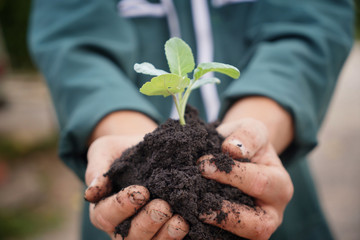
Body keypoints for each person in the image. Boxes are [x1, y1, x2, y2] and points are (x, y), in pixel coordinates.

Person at [28, 0, 354, 239]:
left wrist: (257, 126)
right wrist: (131, 148)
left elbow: (312, 22)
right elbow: (70, 42)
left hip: (269, 194)